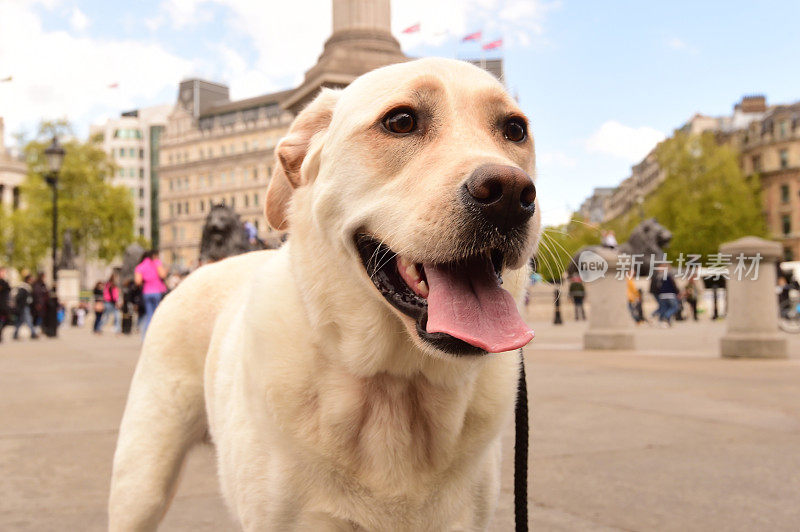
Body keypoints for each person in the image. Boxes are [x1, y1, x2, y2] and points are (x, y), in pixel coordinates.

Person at [134, 249, 168, 338]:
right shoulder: (156, 263)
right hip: (157, 291)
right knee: (157, 315)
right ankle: (156, 336)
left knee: (149, 315)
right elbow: (163, 275)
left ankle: (145, 337)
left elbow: (137, 281)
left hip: (146, 292)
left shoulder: (140, 266)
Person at [13, 274, 38, 340]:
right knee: (29, 320)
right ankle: (33, 333)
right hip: (24, 307)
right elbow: (19, 298)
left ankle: (15, 334)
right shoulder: (24, 288)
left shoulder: (27, 287)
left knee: (20, 321)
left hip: (24, 307)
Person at [0, 267, 11, 342]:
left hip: (4, 305)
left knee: (6, 320)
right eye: (2, 272)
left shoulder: (5, 282)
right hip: (1, 304)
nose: (3, 274)